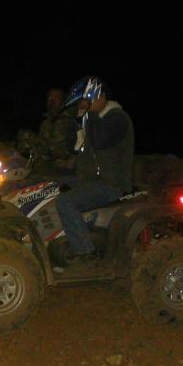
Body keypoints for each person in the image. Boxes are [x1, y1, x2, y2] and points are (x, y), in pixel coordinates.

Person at [55, 76, 134, 270]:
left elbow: (99, 140)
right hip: (89, 180)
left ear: (100, 97)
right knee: (49, 186)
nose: (83, 104)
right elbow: (70, 147)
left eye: (86, 100)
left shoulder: (117, 118)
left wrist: (89, 114)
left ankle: (85, 253)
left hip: (111, 184)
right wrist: (76, 121)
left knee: (64, 202)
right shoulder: (90, 120)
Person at [17, 87, 76, 173]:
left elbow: (55, 150)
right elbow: (40, 146)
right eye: (50, 96)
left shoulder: (68, 119)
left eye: (56, 97)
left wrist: (30, 138)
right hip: (46, 167)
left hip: (63, 169)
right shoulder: (47, 122)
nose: (52, 99)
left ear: (63, 100)